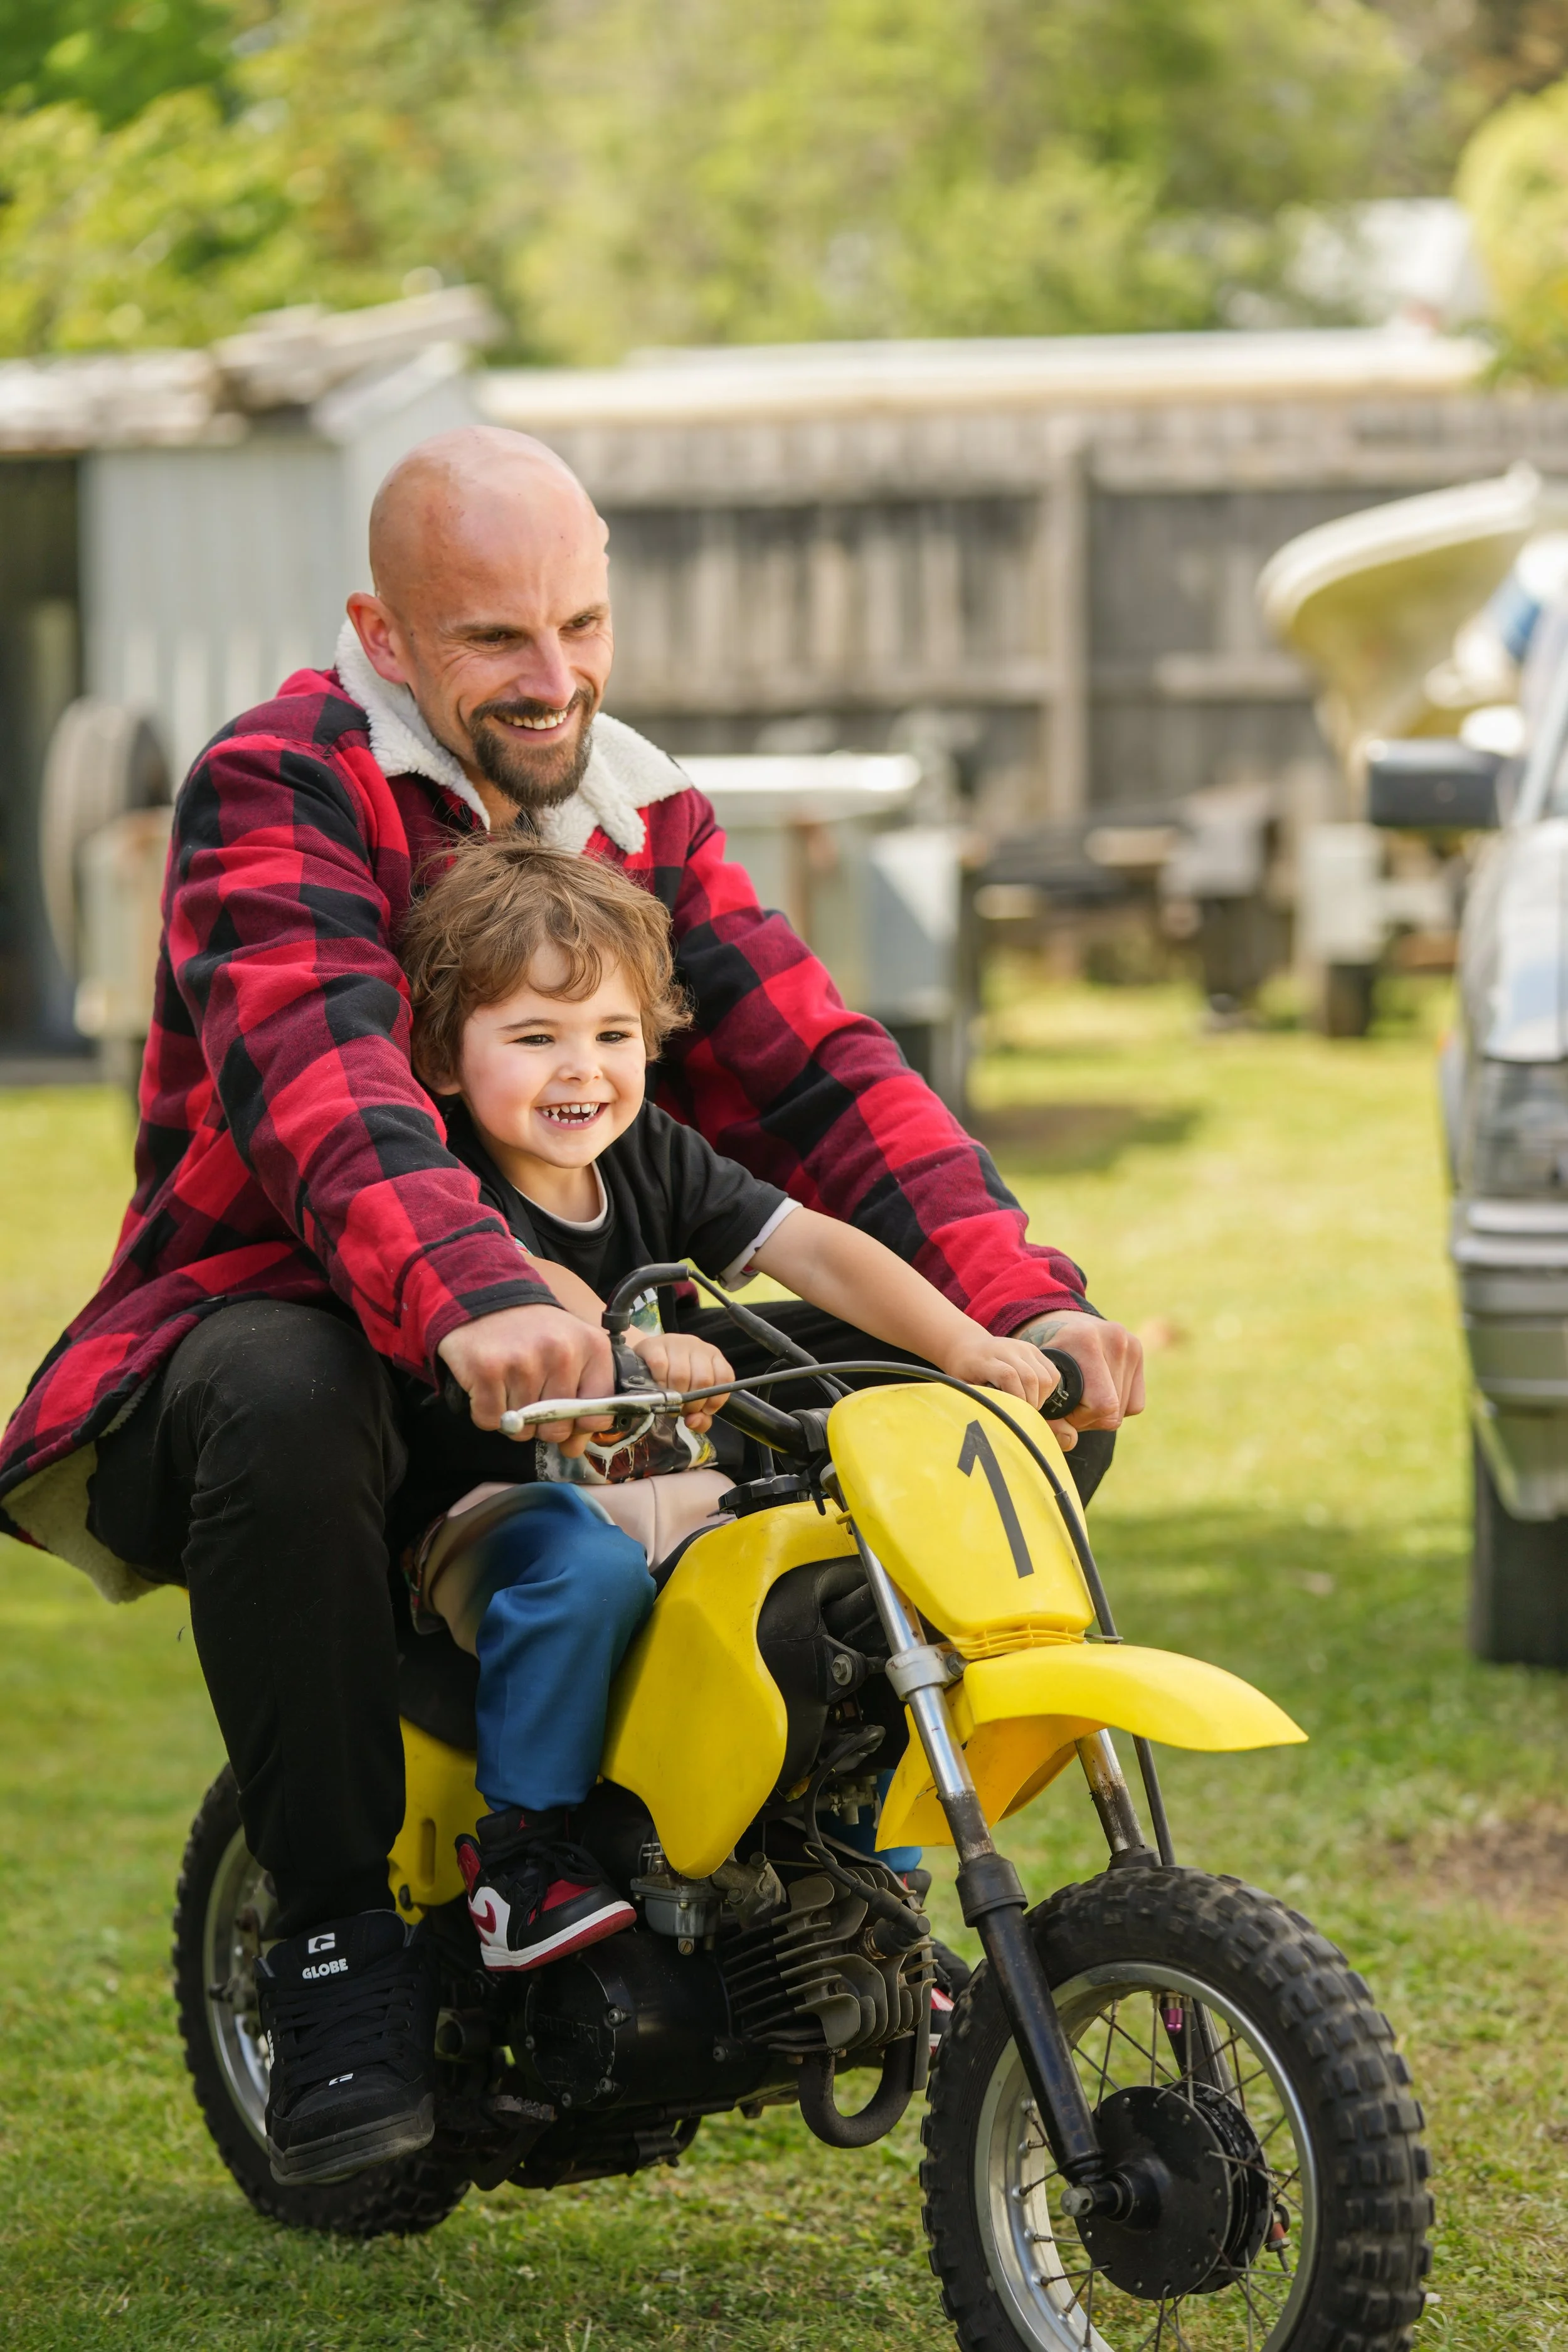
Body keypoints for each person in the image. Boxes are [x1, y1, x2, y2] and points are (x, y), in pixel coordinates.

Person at [0, 424, 1142, 2188]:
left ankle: (810, 1862)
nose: (558, 681)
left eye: (583, 625)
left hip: (569, 1364)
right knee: (284, 1385)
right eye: (495, 641)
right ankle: (332, 1942)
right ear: (384, 634)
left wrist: (1017, 1308)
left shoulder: (635, 806)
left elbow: (820, 1078)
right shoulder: (280, 780)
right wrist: (472, 1283)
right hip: (302, 1341)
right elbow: (322, 1079)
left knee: (952, 1413)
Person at [396, 832, 1066, 1974]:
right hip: (498, 1512)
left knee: (826, 1579)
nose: (582, 1070)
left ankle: (849, 1868)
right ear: (450, 1062)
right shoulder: (449, 1174)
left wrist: (966, 1339)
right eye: (535, 1037)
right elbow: (530, 1287)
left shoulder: (652, 1153)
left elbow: (812, 1244)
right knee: (586, 1571)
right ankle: (524, 1854)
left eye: (612, 1035)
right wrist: (626, 1349)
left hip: (661, 1488)